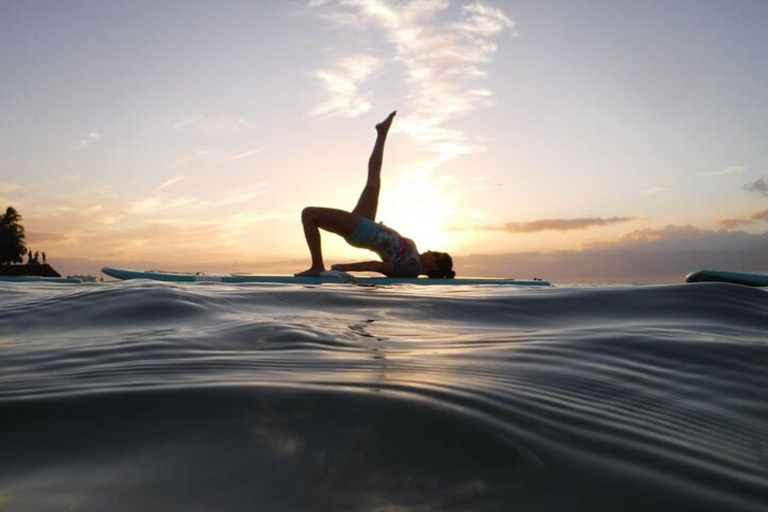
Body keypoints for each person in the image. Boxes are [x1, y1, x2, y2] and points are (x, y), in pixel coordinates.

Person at [296, 111, 455, 279]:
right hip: (368, 226)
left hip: (363, 232)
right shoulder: (414, 260)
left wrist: (344, 267)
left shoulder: (411, 269)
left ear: (435, 265)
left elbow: (379, 267)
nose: (430, 251)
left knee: (309, 214)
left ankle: (317, 266)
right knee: (373, 179)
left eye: (434, 254)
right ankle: (382, 133)